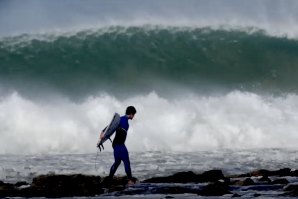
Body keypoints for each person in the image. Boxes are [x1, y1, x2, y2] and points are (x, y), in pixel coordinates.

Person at [100, 106, 137, 184]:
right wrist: (102, 133)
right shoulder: (121, 119)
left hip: (117, 144)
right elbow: (110, 126)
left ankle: (110, 178)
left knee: (117, 162)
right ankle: (130, 179)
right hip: (119, 144)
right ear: (131, 114)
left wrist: (102, 132)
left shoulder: (122, 119)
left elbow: (110, 126)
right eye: (133, 115)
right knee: (126, 161)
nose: (134, 116)